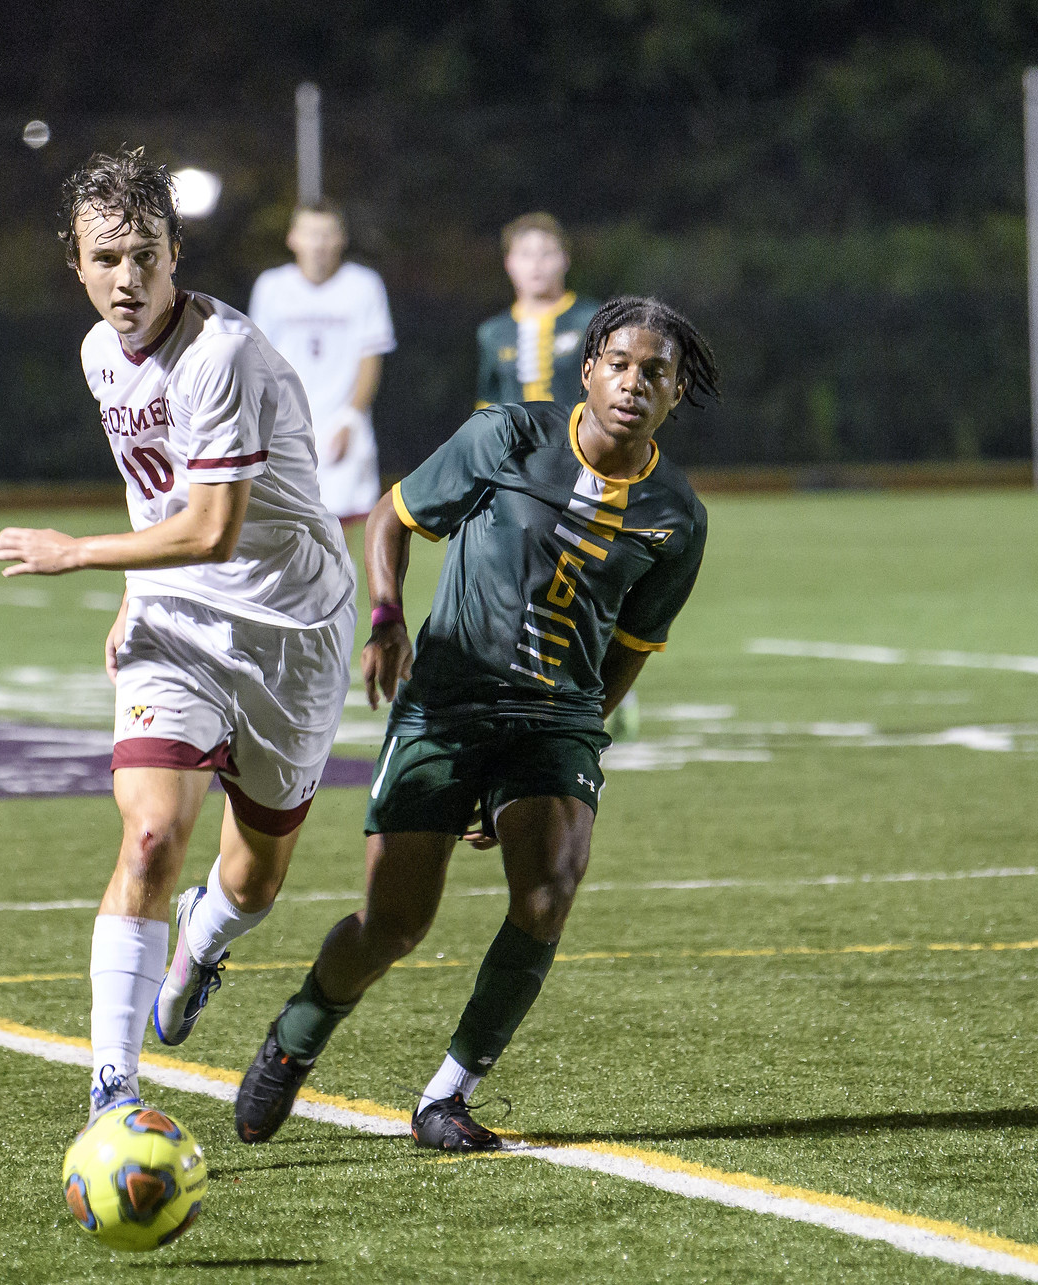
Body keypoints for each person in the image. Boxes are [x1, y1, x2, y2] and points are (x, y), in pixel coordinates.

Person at [232, 295, 719, 1152]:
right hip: (449, 702)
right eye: (622, 364)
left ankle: (445, 1098)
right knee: (395, 923)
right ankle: (295, 1036)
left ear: (677, 394)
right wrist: (386, 618)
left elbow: (635, 643)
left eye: (657, 373)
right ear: (589, 368)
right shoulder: (508, 438)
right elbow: (392, 516)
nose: (636, 383)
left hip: (554, 720)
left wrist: (571, 739)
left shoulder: (677, 515)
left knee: (547, 892)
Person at [0, 149, 357, 1120]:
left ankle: (203, 942)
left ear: (173, 253)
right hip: (179, 619)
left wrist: (81, 558)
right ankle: (113, 1090)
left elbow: (212, 527)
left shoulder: (221, 354)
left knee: (255, 878)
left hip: (290, 629)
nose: (125, 278)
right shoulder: (96, 351)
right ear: (74, 263)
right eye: (103, 257)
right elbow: (157, 492)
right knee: (149, 837)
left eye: (143, 254)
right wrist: (130, 595)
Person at [247, 200, 397, 525]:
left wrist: (350, 420)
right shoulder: (271, 286)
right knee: (285, 525)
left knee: (339, 529)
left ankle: (345, 580)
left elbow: (370, 359)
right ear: (293, 238)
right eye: (311, 234)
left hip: (340, 426)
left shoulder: (364, 285)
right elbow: (260, 360)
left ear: (341, 239)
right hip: (285, 425)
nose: (319, 244)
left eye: (327, 234)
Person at [475, 213, 600, 411]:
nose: (536, 264)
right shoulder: (493, 332)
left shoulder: (592, 319)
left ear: (565, 259)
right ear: (509, 263)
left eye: (547, 253)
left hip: (579, 439)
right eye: (525, 254)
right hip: (515, 441)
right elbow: (488, 401)